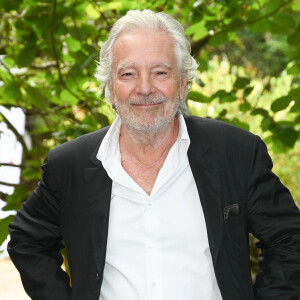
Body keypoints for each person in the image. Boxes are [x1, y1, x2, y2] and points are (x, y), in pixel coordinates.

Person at [8, 9, 300, 300]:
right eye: (128, 74)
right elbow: (27, 240)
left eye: (160, 72)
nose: (145, 88)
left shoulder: (235, 152)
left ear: (183, 83)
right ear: (110, 89)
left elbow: (289, 239)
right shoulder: (68, 166)